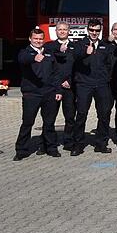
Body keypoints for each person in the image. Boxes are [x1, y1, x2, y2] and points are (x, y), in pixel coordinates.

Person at [14, 28, 62, 160]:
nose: (38, 41)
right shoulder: (25, 52)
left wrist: (58, 90)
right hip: (32, 94)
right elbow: (22, 59)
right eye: (35, 38)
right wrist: (34, 57)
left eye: (40, 39)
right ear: (30, 39)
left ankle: (51, 148)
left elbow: (56, 73)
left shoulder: (49, 53)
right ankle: (21, 150)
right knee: (27, 122)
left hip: (49, 93)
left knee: (49, 123)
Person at [69, 19, 115, 155]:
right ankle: (78, 145)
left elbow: (109, 63)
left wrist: (106, 78)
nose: (94, 32)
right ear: (87, 30)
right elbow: (74, 56)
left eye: (97, 30)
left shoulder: (104, 45)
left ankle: (101, 143)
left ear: (100, 31)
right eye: (92, 30)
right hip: (84, 84)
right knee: (81, 114)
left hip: (101, 84)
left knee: (104, 114)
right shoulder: (79, 44)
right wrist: (85, 52)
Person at [43, 22, 76, 151]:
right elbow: (47, 67)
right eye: (59, 29)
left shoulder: (75, 46)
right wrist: (57, 82)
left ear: (69, 31)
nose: (62, 31)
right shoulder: (49, 46)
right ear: (56, 31)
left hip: (69, 87)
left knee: (70, 117)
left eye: (64, 29)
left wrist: (70, 81)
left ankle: (69, 142)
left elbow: (78, 67)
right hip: (53, 87)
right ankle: (47, 144)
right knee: (49, 118)